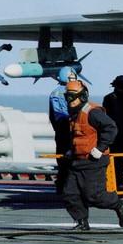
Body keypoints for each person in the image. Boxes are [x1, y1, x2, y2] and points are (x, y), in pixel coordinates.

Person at [62, 80, 123, 230]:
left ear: (83, 96)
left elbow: (111, 128)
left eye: (72, 97)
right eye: (67, 97)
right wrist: (70, 150)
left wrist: (100, 148)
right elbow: (78, 136)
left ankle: (119, 204)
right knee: (70, 193)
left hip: (94, 161)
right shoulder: (74, 113)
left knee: (94, 195)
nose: (69, 101)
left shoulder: (93, 112)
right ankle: (82, 222)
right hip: (77, 161)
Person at [48, 66, 77, 194]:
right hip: (70, 129)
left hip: (62, 130)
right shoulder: (73, 91)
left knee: (62, 158)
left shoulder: (55, 93)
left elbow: (55, 115)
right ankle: (68, 185)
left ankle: (63, 184)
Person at [102, 75, 123, 183]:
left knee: (120, 161)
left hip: (122, 136)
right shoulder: (110, 99)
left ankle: (117, 181)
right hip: (116, 137)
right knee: (115, 161)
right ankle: (115, 181)